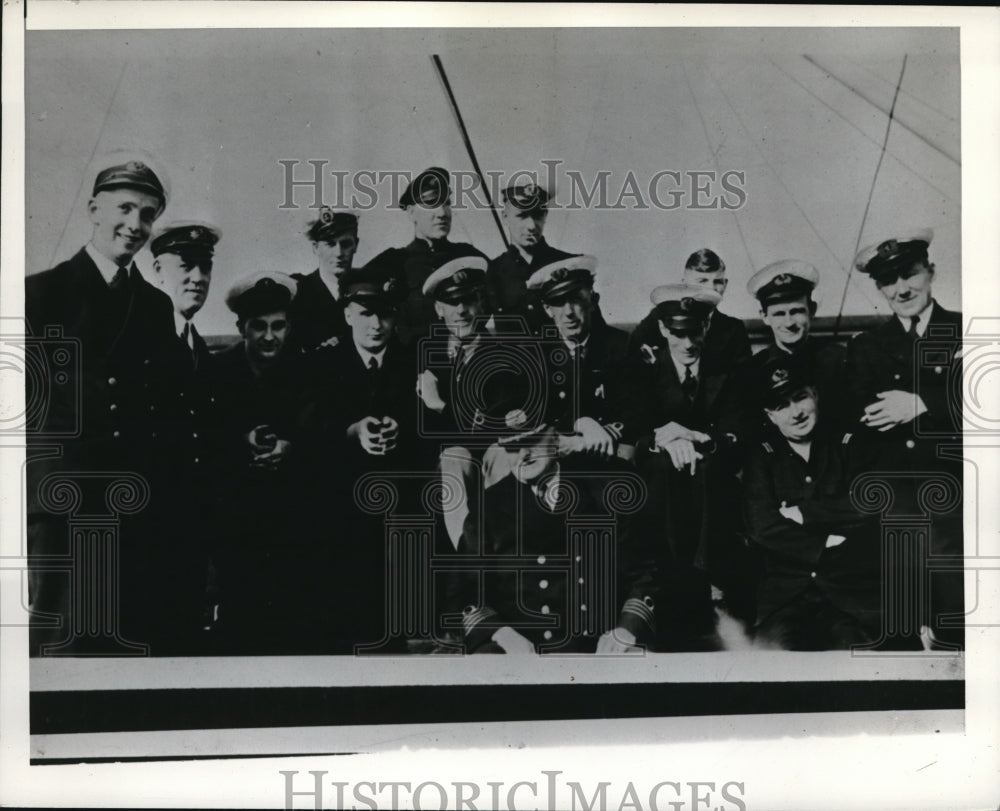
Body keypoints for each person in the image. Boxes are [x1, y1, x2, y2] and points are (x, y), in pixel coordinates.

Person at [24, 153, 184, 655]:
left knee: (127, 646)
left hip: (133, 506)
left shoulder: (156, 307)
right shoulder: (40, 294)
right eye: (125, 208)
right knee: (60, 649)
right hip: (64, 506)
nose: (135, 225)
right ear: (94, 209)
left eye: (147, 215)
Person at [846, 228, 963, 649]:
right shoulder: (868, 346)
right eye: (888, 281)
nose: (901, 288)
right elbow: (866, 418)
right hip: (894, 487)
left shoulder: (965, 331)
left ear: (930, 272)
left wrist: (921, 404)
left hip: (958, 483)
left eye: (909, 274)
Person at [451, 417, 659, 654]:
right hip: (520, 650)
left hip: (600, 646)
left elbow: (644, 573)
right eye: (511, 447)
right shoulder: (488, 507)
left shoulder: (607, 488)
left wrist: (627, 628)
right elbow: (466, 592)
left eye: (533, 441)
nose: (523, 455)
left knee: (640, 666)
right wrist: (501, 634)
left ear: (556, 435)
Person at [627, 283, 750, 647]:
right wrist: (666, 437)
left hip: (712, 480)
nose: (687, 343)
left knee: (709, 471)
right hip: (659, 484)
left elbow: (738, 429)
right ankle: (670, 589)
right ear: (663, 330)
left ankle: (712, 588)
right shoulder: (645, 369)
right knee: (663, 470)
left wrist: (697, 439)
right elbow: (634, 429)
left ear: (707, 327)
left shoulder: (725, 368)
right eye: (678, 333)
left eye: (695, 331)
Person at [211, 272, 328, 653]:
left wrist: (289, 447)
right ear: (240, 328)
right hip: (236, 517)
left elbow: (318, 432)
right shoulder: (218, 372)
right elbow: (205, 434)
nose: (268, 336)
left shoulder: (307, 371)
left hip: (293, 516)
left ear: (290, 327)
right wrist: (240, 444)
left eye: (278, 326)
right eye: (258, 326)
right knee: (240, 623)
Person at [312, 266, 419, 651]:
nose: (376, 324)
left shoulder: (413, 362)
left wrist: (401, 427)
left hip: (398, 503)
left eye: (386, 313)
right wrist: (351, 431)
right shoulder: (323, 363)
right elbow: (311, 429)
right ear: (347, 315)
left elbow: (429, 424)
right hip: (341, 503)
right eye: (365, 314)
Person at [743, 355, 881, 650]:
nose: (795, 413)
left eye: (799, 398)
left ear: (815, 395)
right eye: (781, 406)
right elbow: (761, 527)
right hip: (785, 598)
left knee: (860, 667)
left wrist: (803, 514)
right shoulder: (762, 458)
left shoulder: (848, 444)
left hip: (849, 596)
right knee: (769, 667)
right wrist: (825, 541)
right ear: (769, 415)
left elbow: (869, 504)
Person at [416, 252, 520, 549]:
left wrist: (439, 405)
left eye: (470, 300)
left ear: (481, 304)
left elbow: (489, 425)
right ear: (439, 308)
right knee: (455, 457)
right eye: (452, 302)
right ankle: (468, 552)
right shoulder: (422, 352)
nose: (461, 310)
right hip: (440, 465)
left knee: (496, 454)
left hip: (485, 457)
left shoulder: (502, 356)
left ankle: (498, 555)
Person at [525, 254, 634, 464]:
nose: (568, 313)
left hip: (604, 452)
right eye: (557, 302)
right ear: (547, 309)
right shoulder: (534, 353)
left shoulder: (621, 346)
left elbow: (635, 410)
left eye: (576, 300)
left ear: (593, 301)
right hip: (556, 454)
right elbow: (533, 415)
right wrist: (580, 423)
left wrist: (606, 431)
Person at [364, 167, 486, 344]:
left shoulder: (469, 256)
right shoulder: (392, 262)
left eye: (447, 203)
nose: (442, 213)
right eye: (432, 204)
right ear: (412, 213)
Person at [741, 259, 847, 432]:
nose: (789, 323)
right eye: (779, 314)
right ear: (764, 316)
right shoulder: (755, 369)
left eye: (797, 311)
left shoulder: (841, 359)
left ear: (812, 310)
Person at [629, 248, 751, 372]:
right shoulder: (660, 317)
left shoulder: (734, 328)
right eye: (702, 281)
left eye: (718, 282)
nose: (711, 288)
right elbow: (633, 351)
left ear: (725, 285)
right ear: (685, 284)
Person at [486, 182, 574, 334]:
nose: (532, 225)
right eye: (522, 215)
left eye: (538, 215)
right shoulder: (492, 271)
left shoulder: (570, 265)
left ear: (545, 215)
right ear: (505, 217)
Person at [288, 207, 360, 354]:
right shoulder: (297, 294)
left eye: (345, 244)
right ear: (315, 248)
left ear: (356, 245)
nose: (339, 253)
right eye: (330, 244)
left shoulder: (367, 289)